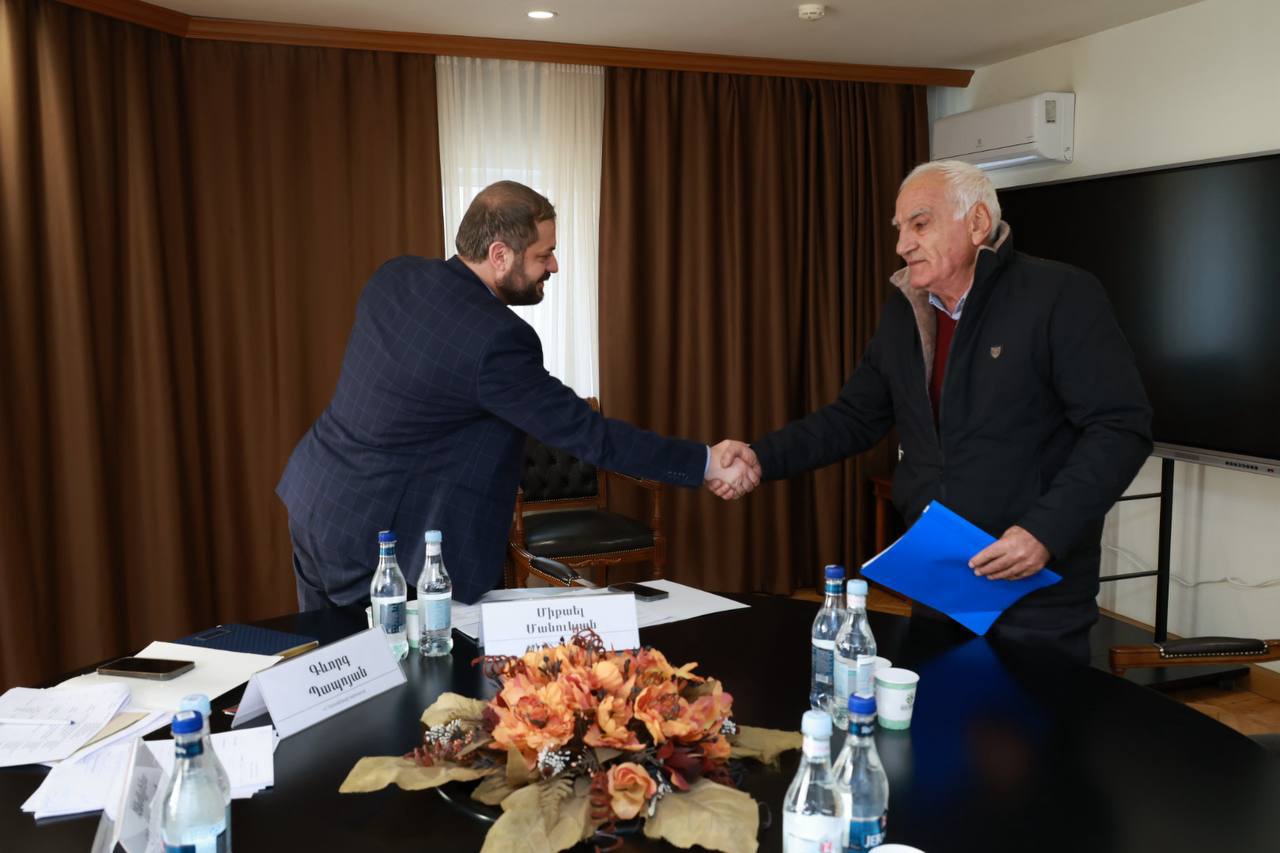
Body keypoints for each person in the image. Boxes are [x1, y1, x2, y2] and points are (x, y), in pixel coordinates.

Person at [714, 160, 1152, 663]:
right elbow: (853, 418)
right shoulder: (905, 311)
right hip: (940, 578)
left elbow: (1120, 427)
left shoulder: (1059, 295)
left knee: (1035, 712)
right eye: (900, 228)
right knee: (938, 706)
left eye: (920, 224)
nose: (903, 244)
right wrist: (761, 456)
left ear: (978, 222)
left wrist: (1044, 532)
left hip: (1032, 585)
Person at [278, 180, 756, 608]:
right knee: (389, 675)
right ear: (500, 254)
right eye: (544, 255)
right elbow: (588, 435)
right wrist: (706, 462)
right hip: (382, 545)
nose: (554, 266)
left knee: (325, 667)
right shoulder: (495, 339)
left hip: (317, 501)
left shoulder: (397, 276)